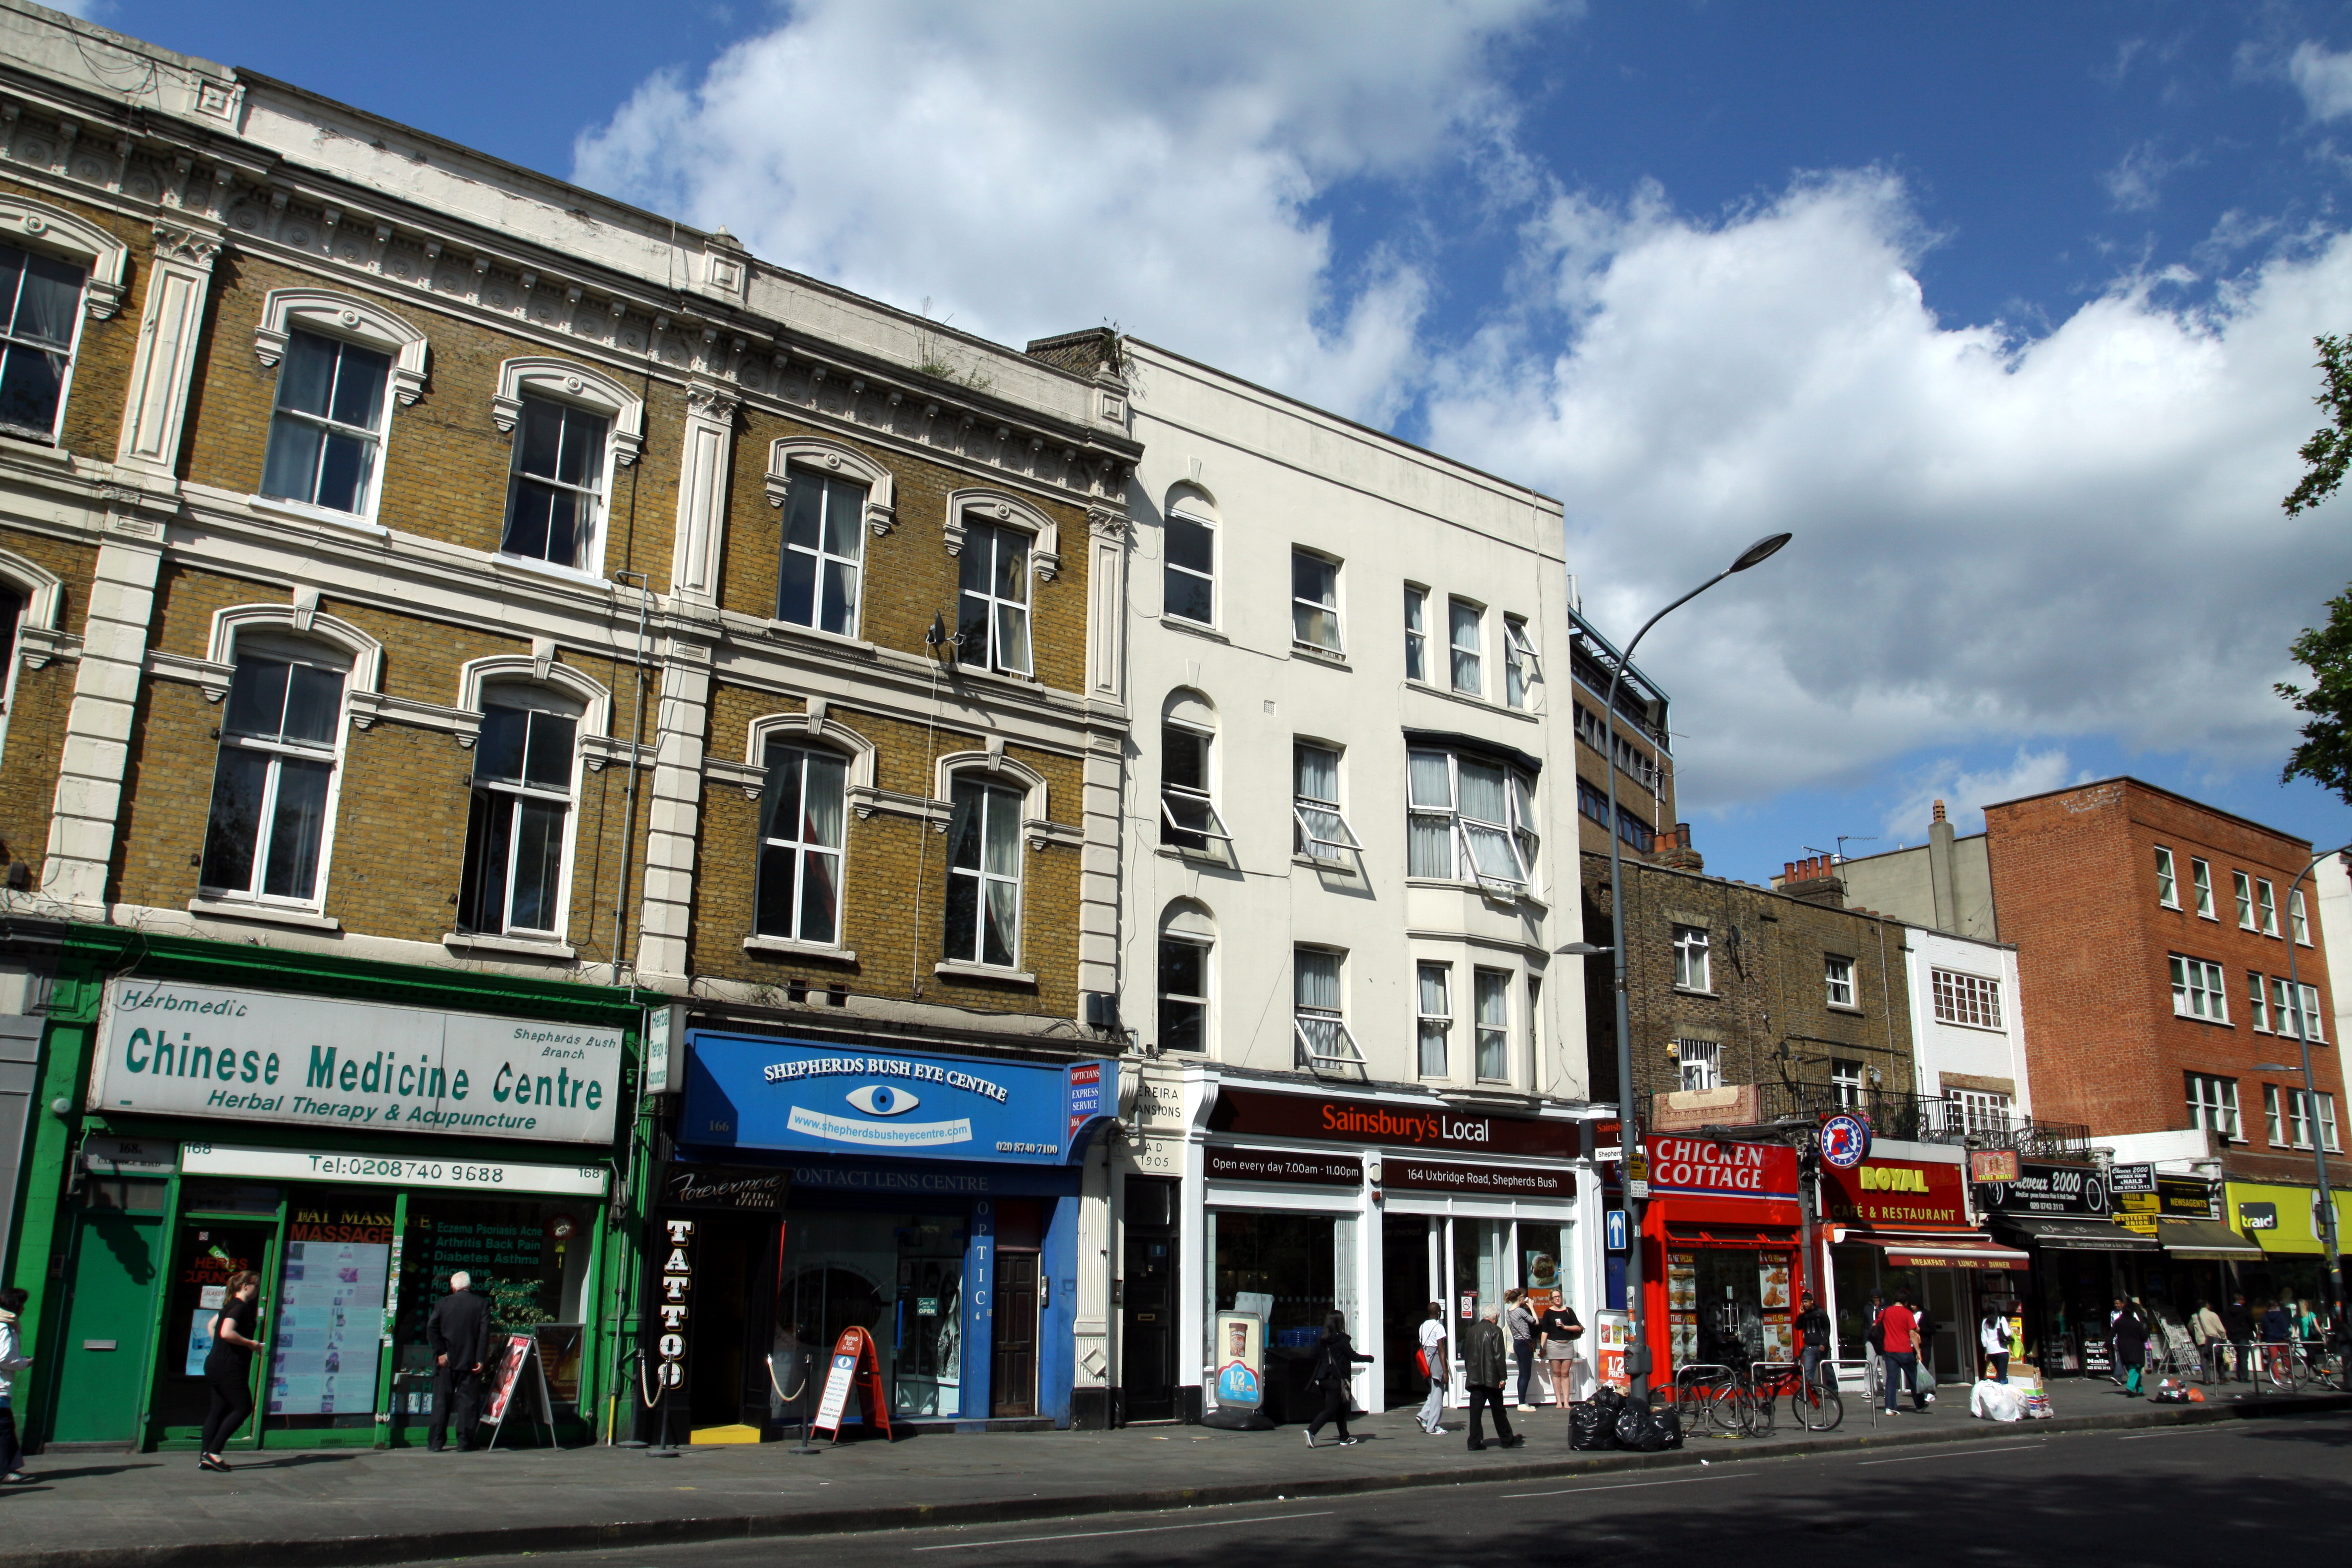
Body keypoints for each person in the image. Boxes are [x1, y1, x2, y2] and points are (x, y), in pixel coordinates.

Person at [201, 1271, 264, 1471]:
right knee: (243, 1407)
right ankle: (214, 1452)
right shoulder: (240, 1307)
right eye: (257, 1286)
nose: (258, 1290)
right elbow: (226, 1332)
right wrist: (250, 1344)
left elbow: (211, 1325)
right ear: (246, 1286)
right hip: (230, 1367)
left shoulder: (229, 1305)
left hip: (215, 1363)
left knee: (218, 1409)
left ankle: (205, 1456)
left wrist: (220, 1348)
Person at [426, 1270, 492, 1453]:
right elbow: (484, 1334)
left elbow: (431, 1329)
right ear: (469, 1286)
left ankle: (436, 1443)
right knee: (468, 1403)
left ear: (453, 1287)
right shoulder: (482, 1304)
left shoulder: (442, 1304)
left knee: (441, 1402)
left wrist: (441, 1352)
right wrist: (480, 1359)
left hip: (446, 1361)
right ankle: (464, 1443)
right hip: (470, 1361)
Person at [1302, 1311, 1373, 1448]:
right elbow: (1353, 1356)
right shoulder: (1341, 1340)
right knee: (1331, 1409)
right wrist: (1370, 1359)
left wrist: (1325, 1365)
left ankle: (1344, 1437)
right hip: (1336, 1380)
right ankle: (1311, 1431)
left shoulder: (1322, 1339)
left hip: (1323, 1380)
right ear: (1340, 1322)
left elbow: (1313, 1356)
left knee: (1341, 1407)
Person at [1461, 1303, 1523, 1451]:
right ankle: (1507, 1439)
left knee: (1475, 1412)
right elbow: (1498, 1356)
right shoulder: (1495, 1331)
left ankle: (1474, 1442)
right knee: (1499, 1411)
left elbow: (1467, 1356)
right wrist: (1502, 1378)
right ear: (1495, 1317)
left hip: (1475, 1378)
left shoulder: (1471, 1331)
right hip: (1491, 1378)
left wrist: (1470, 1373)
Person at [0, 1287, 31, 1483]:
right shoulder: (4, 1327)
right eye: (22, 1305)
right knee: (4, 1429)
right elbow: (3, 1358)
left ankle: (9, 1468)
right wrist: (25, 1363)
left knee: (5, 1428)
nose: (24, 1310)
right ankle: (5, 1471)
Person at [1878, 1291, 1926, 1414]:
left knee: (1891, 1379)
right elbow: (1913, 1333)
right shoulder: (1907, 1313)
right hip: (1904, 1350)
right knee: (1913, 1378)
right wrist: (1918, 1351)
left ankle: (1890, 1407)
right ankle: (1920, 1405)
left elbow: (1876, 1323)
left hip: (1889, 1349)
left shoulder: (1886, 1311)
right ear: (1906, 1302)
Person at [1537, 1296, 1583, 1406]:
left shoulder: (1568, 1311)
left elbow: (1578, 1328)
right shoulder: (1548, 1312)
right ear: (1551, 1300)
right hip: (1553, 1344)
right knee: (1557, 1373)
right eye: (1555, 1297)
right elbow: (1545, 1331)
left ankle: (1567, 1401)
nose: (1558, 1299)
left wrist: (1565, 1327)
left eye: (1559, 1297)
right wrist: (1542, 1347)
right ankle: (1558, 1400)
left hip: (1567, 1344)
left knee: (1565, 1373)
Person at [1415, 1301, 1449, 1435]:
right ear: (1439, 1312)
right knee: (1438, 1393)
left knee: (1434, 1392)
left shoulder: (1423, 1326)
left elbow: (1421, 1346)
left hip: (1426, 1360)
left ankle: (1423, 1415)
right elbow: (1441, 1349)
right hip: (1436, 1361)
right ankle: (1432, 1426)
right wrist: (1445, 1371)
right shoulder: (1438, 1327)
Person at [1503, 1288, 1538, 1408]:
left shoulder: (1508, 1312)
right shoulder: (1519, 1311)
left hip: (1517, 1343)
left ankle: (1522, 1400)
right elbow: (1535, 1321)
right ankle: (1522, 1402)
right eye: (1524, 1297)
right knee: (1526, 1374)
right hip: (1525, 1343)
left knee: (1522, 1373)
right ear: (1520, 1298)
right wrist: (1532, 1307)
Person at [1794, 1291, 1832, 1393]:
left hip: (1822, 1347)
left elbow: (1827, 1329)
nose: (1804, 1304)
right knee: (1807, 1371)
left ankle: (1834, 1391)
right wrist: (1801, 1315)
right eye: (1803, 1302)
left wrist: (1824, 1343)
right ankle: (1805, 1393)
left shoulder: (1821, 1313)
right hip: (1810, 1347)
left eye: (1806, 1302)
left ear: (1812, 1301)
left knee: (1828, 1370)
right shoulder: (1805, 1315)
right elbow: (1798, 1327)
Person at [2110, 1296, 2148, 1396]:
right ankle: (2130, 1388)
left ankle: (2140, 1390)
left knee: (2135, 1369)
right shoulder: (2136, 1324)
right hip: (2136, 1350)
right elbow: (2144, 1337)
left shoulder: (2118, 1322)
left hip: (2123, 1349)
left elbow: (2112, 1333)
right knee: (2135, 1368)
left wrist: (2107, 1344)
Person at [2189, 1299, 2225, 1383]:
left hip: (2202, 1340)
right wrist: (2224, 1338)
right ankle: (2222, 1378)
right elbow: (2220, 1329)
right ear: (2207, 1306)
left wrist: (2196, 1334)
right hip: (2213, 1339)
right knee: (2218, 1358)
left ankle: (2207, 1379)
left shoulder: (2195, 1316)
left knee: (2205, 1359)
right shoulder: (2213, 1315)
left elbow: (2190, 1326)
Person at [2223, 1294, 2255, 1383]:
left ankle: (2239, 1374)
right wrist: (2254, 1331)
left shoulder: (2227, 1311)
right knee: (2243, 1356)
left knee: (2238, 1355)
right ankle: (2243, 1377)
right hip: (2244, 1335)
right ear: (2240, 1301)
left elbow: (2225, 1322)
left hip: (2233, 1335)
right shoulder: (2245, 1311)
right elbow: (2251, 1322)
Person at [1979, 1303, 2010, 1384]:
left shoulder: (1985, 1322)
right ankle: (2003, 1390)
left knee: (2000, 1372)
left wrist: (1986, 1351)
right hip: (2002, 1350)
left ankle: (1998, 1387)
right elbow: (2007, 1334)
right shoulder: (2001, 1319)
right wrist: (2009, 1329)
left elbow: (1984, 1338)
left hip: (1991, 1352)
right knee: (2003, 1375)